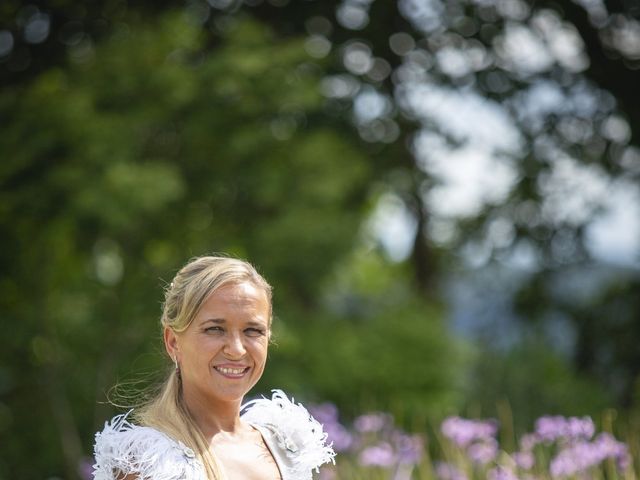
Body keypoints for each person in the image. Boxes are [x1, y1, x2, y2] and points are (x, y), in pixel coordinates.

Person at [92, 255, 335, 480]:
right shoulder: (150, 463)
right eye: (215, 329)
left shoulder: (284, 446)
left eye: (253, 331)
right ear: (173, 342)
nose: (237, 349)